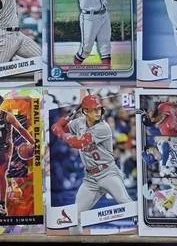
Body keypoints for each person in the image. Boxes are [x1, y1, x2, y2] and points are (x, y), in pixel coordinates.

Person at [51, 94, 132, 230]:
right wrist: (62, 123)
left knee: (126, 203)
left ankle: (143, 228)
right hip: (90, 178)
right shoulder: (79, 123)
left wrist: (61, 133)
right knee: (74, 217)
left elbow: (77, 143)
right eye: (93, 110)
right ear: (85, 111)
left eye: (99, 109)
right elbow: (56, 127)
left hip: (108, 173)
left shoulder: (103, 127)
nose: (97, 112)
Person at [0, 93, 35, 217]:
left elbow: (21, 129)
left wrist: (33, 142)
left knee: (0, 175)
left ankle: (3, 205)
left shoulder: (8, 117)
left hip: (5, 148)